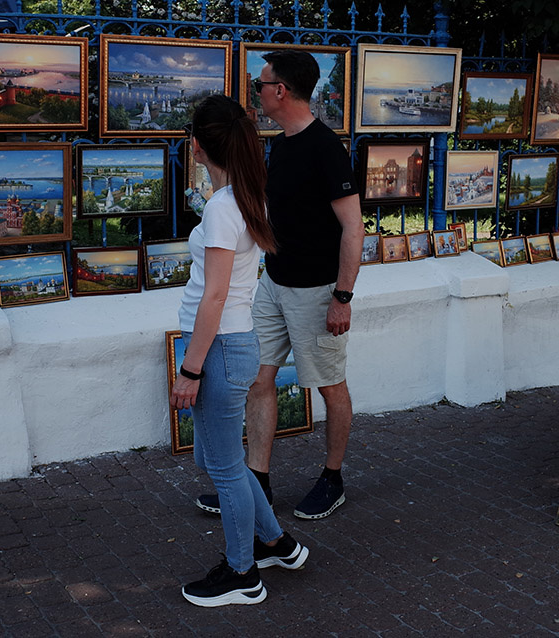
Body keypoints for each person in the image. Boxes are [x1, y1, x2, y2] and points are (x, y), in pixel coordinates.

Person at [196, 50, 364, 521]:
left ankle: (332, 478)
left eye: (261, 84)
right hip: (274, 282)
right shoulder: (283, 144)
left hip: (318, 290)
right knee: (259, 379)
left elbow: (353, 228)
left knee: (329, 385)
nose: (257, 92)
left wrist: (342, 297)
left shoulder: (325, 148)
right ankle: (257, 484)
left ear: (281, 91)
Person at [172, 95, 309, 608]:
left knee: (226, 468)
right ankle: (275, 542)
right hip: (233, 345)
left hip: (219, 348)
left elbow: (215, 295)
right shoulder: (244, 197)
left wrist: (190, 370)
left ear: (198, 145)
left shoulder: (223, 207)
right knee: (221, 459)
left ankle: (241, 574)